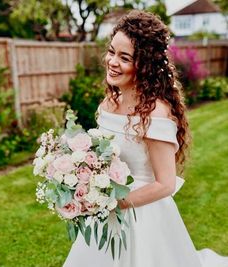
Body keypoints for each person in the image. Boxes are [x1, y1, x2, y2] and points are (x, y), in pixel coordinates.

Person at [63, 10, 228, 267]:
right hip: (105, 208)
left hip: (142, 215)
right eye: (111, 51)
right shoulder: (109, 101)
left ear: (144, 65)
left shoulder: (155, 113)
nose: (112, 61)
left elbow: (165, 184)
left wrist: (116, 203)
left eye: (124, 57)